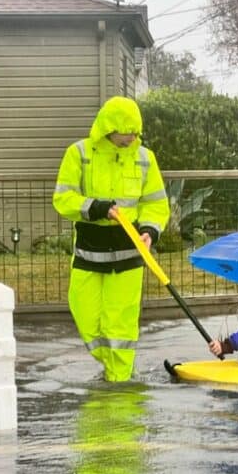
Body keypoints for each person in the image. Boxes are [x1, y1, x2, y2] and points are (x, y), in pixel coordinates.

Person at [53, 96, 170, 382]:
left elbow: (155, 203)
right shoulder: (79, 153)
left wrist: (151, 231)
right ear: (107, 128)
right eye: (124, 133)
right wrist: (94, 207)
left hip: (129, 255)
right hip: (89, 253)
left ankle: (120, 382)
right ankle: (113, 368)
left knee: (121, 326)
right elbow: (63, 198)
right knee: (85, 316)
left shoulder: (145, 158)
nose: (130, 138)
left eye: (134, 133)